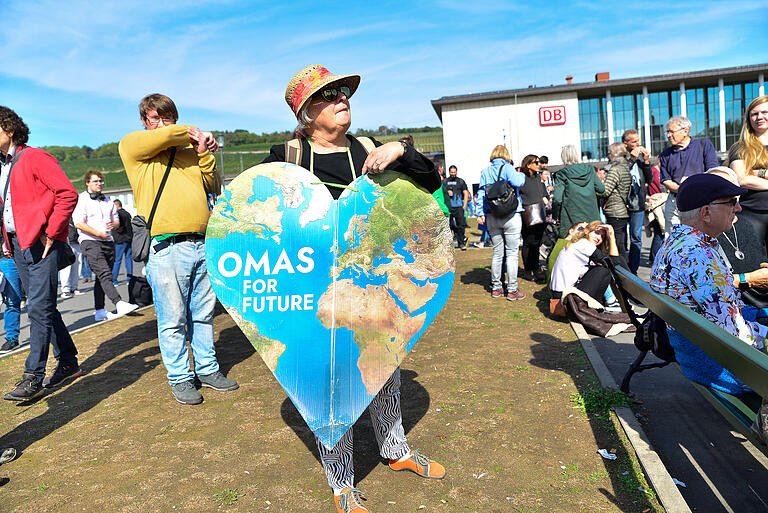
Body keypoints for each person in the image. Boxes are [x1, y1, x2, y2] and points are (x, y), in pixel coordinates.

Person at [263, 64, 445, 513]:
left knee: (385, 368)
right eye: (329, 94)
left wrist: (401, 150)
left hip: (374, 282)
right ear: (306, 112)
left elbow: (431, 182)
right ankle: (342, 481)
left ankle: (395, 450)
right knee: (331, 382)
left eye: (345, 91)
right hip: (316, 290)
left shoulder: (369, 149)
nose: (343, 98)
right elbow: (255, 221)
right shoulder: (285, 156)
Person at [119, 93, 238, 406]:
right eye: (155, 118)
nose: (162, 123)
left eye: (167, 116)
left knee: (203, 315)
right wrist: (193, 132)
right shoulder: (134, 146)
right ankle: (180, 378)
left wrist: (203, 152)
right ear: (145, 122)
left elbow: (212, 185)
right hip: (166, 246)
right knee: (172, 320)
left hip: (202, 241)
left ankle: (208, 369)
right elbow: (165, 135)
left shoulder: (187, 150)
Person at [650, 172, 767, 396]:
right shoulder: (698, 256)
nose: (739, 208)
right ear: (705, 212)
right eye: (731, 203)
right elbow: (733, 337)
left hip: (697, 348)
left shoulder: (679, 242)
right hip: (717, 364)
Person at [0, 106, 81, 400]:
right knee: (44, 306)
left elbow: (67, 193)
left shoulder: (34, 157)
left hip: (40, 243)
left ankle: (33, 376)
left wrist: (54, 231)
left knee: (37, 308)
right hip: (17, 245)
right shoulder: (3, 164)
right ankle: (69, 362)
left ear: (8, 129)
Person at [73, 170, 138, 321]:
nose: (99, 184)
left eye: (101, 181)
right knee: (104, 274)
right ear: (87, 183)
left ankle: (100, 311)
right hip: (90, 241)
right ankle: (119, 302)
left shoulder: (108, 200)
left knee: (101, 278)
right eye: (95, 181)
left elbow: (116, 220)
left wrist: (114, 225)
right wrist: (97, 233)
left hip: (108, 241)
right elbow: (78, 223)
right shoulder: (82, 199)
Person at [477, 145, 526, 300]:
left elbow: (480, 193)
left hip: (492, 215)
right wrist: (522, 174)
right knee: (512, 253)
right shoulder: (508, 168)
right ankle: (512, 290)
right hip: (511, 215)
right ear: (506, 155)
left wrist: (479, 213)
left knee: (497, 253)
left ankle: (496, 288)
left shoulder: (485, 172)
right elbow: (519, 183)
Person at [659, 115, 719, 234]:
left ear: (685, 131)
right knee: (674, 238)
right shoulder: (665, 154)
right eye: (667, 132)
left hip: (699, 200)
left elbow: (713, 172)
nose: (668, 135)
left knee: (700, 236)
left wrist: (693, 183)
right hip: (674, 201)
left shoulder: (704, 145)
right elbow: (665, 180)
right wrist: (682, 188)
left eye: (671, 131)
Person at [549, 221, 622, 314]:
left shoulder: (579, 243)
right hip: (565, 300)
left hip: (561, 297)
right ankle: (595, 310)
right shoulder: (584, 244)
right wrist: (611, 237)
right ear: (587, 231)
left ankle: (597, 308)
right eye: (596, 232)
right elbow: (614, 263)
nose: (599, 238)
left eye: (603, 236)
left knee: (600, 269)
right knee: (603, 270)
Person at [729, 95, 768, 251]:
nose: (759, 117)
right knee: (754, 262)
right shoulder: (740, 147)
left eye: (764, 112)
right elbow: (742, 179)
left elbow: (747, 175)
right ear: (748, 119)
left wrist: (756, 172)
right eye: (754, 113)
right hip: (752, 213)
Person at [552, 144, 605, 238]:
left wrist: (555, 216)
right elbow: (601, 189)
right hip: (591, 215)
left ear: (563, 157)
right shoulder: (590, 169)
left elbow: (557, 199)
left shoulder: (561, 174)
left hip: (571, 218)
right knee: (592, 245)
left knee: (570, 247)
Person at [622, 129, 653, 273]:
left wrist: (646, 161)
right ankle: (622, 268)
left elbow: (649, 179)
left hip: (638, 203)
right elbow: (620, 175)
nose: (637, 144)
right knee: (621, 238)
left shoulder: (641, 159)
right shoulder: (621, 158)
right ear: (625, 143)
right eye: (633, 141)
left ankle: (633, 270)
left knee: (636, 237)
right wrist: (632, 160)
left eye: (638, 141)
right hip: (622, 204)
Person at [598, 142, 631, 261]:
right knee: (622, 244)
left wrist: (594, 189)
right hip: (623, 209)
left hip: (615, 210)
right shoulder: (626, 166)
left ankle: (624, 273)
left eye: (609, 153)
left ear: (616, 154)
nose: (608, 156)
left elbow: (605, 191)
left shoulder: (615, 169)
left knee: (617, 246)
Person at [518, 154, 548, 282]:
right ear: (528, 164)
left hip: (539, 214)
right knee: (528, 243)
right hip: (527, 214)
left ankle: (536, 269)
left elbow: (543, 194)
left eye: (539, 162)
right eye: (536, 162)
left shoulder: (538, 178)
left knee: (537, 243)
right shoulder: (521, 178)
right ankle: (528, 270)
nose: (538, 164)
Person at [442, 165, 470, 249]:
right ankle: (448, 245)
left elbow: (466, 193)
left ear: (456, 172)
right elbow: (441, 193)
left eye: (454, 172)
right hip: (448, 207)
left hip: (458, 207)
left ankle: (461, 243)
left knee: (461, 225)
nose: (453, 174)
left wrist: (464, 205)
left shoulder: (460, 181)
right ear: (449, 172)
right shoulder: (445, 182)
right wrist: (447, 192)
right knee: (449, 226)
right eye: (451, 172)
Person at [0, 255, 22, 353]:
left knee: (13, 301)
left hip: (24, 258)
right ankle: (12, 337)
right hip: (6, 260)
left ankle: (12, 337)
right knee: (12, 301)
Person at [59, 219, 84, 298]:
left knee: (77, 266)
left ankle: (74, 287)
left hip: (77, 241)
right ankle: (65, 290)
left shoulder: (77, 211)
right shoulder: (66, 212)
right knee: (67, 267)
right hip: (68, 242)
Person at [111, 199, 133, 286]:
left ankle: (114, 279)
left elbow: (119, 228)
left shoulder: (118, 214)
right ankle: (130, 278)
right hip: (129, 238)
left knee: (117, 260)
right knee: (128, 259)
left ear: (117, 205)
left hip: (120, 240)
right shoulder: (127, 213)